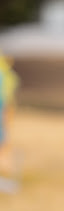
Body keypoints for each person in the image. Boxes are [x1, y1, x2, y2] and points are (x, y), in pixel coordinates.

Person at [0, 52, 19, 193]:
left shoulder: (5, 76)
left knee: (3, 141)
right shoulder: (6, 75)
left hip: (3, 108)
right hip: (4, 109)